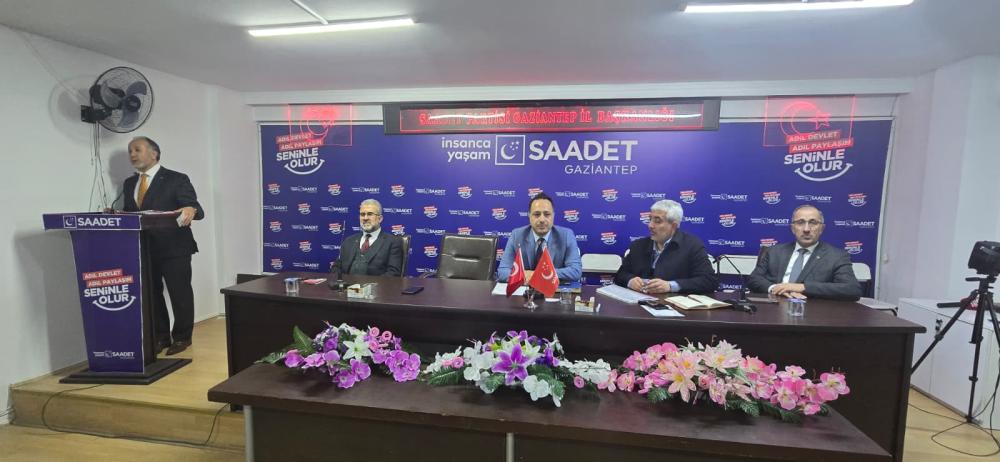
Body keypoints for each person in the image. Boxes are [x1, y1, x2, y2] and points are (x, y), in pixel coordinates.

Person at [122, 136, 204, 356]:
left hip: (174, 247)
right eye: (130, 151)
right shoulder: (129, 183)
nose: (132, 154)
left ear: (154, 153)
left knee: (180, 293)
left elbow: (195, 208)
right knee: (153, 295)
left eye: (137, 149)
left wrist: (190, 209)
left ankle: (182, 337)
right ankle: (161, 336)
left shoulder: (176, 179)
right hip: (144, 248)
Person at [747, 204, 861, 301]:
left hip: (812, 312)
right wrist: (775, 288)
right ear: (793, 228)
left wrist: (803, 287)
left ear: (822, 229)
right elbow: (754, 279)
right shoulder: (774, 251)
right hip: (774, 307)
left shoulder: (836, 256)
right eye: (800, 222)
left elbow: (852, 289)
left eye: (813, 222)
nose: (806, 229)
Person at [614, 199, 717, 294]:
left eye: (657, 221)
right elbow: (620, 275)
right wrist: (630, 281)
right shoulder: (638, 245)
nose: (650, 225)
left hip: (673, 304)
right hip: (639, 304)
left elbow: (708, 281)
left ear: (673, 226)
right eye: (650, 219)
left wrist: (670, 286)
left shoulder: (692, 245)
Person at [497, 192, 582, 283]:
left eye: (547, 214)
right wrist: (523, 275)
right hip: (525, 289)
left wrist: (540, 274)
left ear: (553, 216)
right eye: (537, 214)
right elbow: (502, 272)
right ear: (529, 216)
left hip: (553, 289)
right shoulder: (516, 235)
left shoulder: (566, 235)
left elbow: (575, 271)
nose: (542, 220)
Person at [331, 199, 403, 277]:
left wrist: (371, 285)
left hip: (377, 284)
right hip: (347, 284)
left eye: (370, 214)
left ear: (380, 219)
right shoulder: (349, 241)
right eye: (362, 214)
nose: (365, 218)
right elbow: (336, 267)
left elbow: (393, 274)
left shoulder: (393, 242)